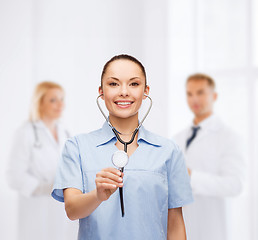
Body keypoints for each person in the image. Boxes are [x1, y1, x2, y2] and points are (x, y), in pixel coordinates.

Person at [51, 54, 193, 240]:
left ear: (145, 91)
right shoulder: (77, 147)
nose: (124, 92)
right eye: (114, 84)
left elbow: (174, 224)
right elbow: (71, 210)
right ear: (101, 92)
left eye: (134, 84)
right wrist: (98, 195)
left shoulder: (168, 150)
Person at [174, 73, 245, 240]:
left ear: (214, 96)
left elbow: (235, 185)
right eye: (189, 94)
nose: (194, 99)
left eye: (200, 92)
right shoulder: (177, 138)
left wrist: (191, 177)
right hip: (182, 228)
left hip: (212, 230)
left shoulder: (228, 137)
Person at [7, 81, 78, 240]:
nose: (60, 104)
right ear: (39, 103)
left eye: (62, 99)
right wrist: (42, 188)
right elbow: (14, 176)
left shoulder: (65, 132)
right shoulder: (25, 132)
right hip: (36, 207)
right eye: (53, 100)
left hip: (60, 207)